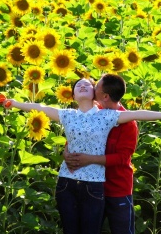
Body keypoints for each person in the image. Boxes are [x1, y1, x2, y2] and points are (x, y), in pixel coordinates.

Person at [3, 77, 161, 234]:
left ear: (96, 95)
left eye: (88, 85)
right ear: (73, 96)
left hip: (95, 184)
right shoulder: (68, 115)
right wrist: (14, 103)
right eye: (78, 85)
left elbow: (136, 114)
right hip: (66, 182)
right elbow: (40, 107)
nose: (83, 86)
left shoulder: (107, 115)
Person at [64, 73, 139, 234]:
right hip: (90, 186)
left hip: (116, 188)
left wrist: (89, 159)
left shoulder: (128, 123)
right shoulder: (94, 112)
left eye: (96, 86)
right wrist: (66, 152)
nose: (92, 87)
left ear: (105, 96)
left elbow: (122, 158)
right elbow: (76, 136)